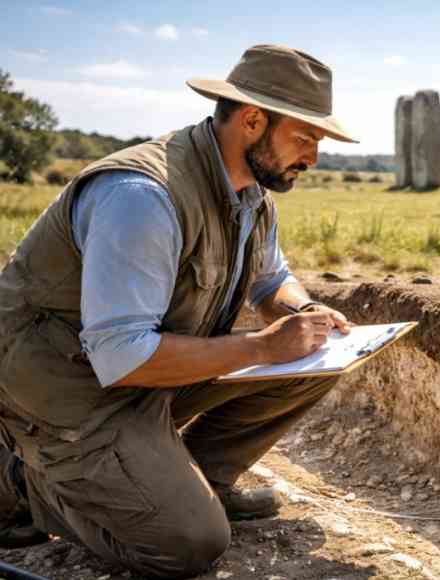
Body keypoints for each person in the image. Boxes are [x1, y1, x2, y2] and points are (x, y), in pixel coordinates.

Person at [0, 44, 358, 578]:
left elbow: (271, 279)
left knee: (317, 360)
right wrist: (263, 346)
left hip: (139, 374)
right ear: (253, 121)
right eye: (304, 137)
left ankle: (199, 484)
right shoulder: (141, 197)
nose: (313, 156)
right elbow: (122, 358)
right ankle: (22, 481)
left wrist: (304, 312)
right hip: (68, 391)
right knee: (189, 545)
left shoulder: (251, 195)